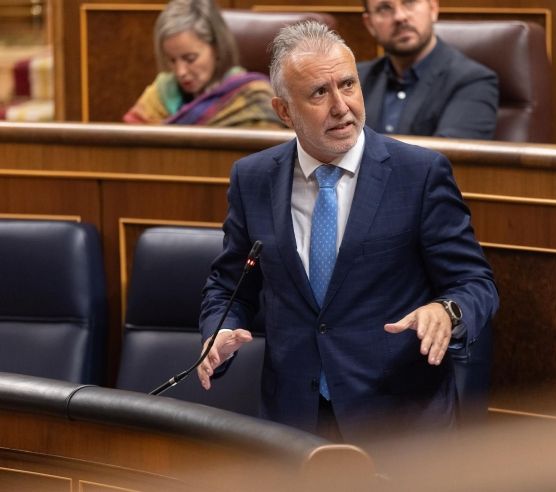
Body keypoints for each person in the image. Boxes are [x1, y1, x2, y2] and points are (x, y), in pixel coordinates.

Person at [197, 20, 498, 442]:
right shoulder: (253, 178)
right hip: (295, 423)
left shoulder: (418, 174)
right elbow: (229, 285)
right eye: (319, 93)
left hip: (400, 424)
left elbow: (475, 283)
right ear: (284, 111)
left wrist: (446, 311)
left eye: (348, 85)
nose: (341, 106)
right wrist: (219, 331)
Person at [123, 0, 284, 128]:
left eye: (190, 58)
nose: (180, 72)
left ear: (217, 48)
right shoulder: (160, 92)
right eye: (172, 60)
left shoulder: (253, 97)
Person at [357, 0, 499, 139]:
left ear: (432, 8)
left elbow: (451, 153)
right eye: (384, 8)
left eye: (409, 2)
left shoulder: (473, 81)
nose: (400, 16)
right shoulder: (356, 80)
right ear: (370, 24)